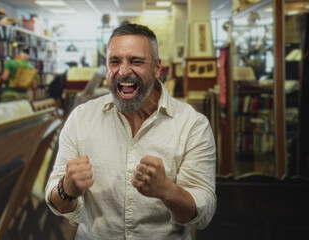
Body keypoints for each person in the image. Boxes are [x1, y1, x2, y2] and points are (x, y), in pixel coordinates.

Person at [45, 23, 216, 239]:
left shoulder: (192, 124)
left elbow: (203, 213)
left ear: (156, 68)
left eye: (136, 61)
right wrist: (66, 189)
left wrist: (166, 190)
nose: (123, 71)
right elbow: (56, 202)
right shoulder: (81, 118)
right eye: (114, 61)